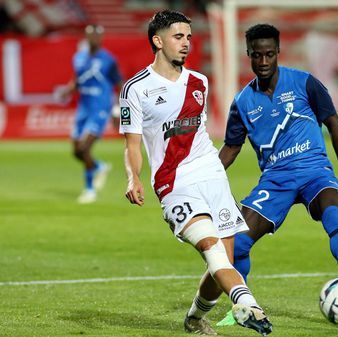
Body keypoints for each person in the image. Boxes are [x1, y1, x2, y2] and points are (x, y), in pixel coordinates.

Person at [119, 10, 272, 336]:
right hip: (174, 183)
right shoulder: (136, 89)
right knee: (210, 246)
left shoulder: (199, 82)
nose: (186, 43)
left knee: (222, 265)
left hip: (213, 178)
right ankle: (247, 302)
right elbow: (132, 143)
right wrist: (133, 176)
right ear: (157, 41)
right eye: (178, 37)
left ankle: (193, 319)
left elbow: (198, 136)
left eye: (189, 37)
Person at [217, 23, 338, 325]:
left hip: (315, 171)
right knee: (238, 241)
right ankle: (242, 307)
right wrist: (203, 176)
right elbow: (231, 149)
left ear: (278, 53)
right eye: (257, 56)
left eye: (269, 55)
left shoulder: (305, 83)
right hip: (276, 180)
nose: (263, 62)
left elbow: (334, 125)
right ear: (248, 55)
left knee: (333, 213)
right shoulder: (242, 102)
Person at [60, 24, 123, 204]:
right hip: (83, 108)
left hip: (100, 109)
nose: (94, 39)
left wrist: (118, 108)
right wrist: (68, 90)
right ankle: (100, 166)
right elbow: (78, 80)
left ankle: (90, 190)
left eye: (97, 36)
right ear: (86, 38)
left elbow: (119, 84)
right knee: (76, 152)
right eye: (90, 36)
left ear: (101, 39)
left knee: (84, 148)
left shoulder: (108, 60)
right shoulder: (79, 58)